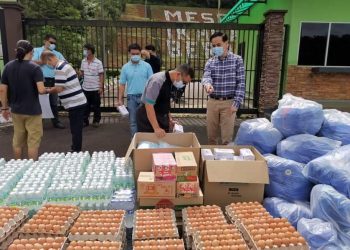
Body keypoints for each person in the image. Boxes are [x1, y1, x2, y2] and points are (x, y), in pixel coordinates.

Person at [0, 40, 48, 160]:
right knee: (33, 141)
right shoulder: (35, 68)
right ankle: (31, 168)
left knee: (18, 140)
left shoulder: (8, 66)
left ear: (17, 51)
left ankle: (18, 166)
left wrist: (4, 108)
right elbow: (41, 90)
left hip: (16, 110)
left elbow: (2, 90)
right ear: (31, 52)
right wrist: (52, 89)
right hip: (33, 110)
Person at [202, 32, 246, 145]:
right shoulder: (210, 62)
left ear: (227, 44)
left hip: (229, 103)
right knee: (211, 137)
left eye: (219, 44)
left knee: (226, 139)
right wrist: (207, 85)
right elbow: (206, 76)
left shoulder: (237, 60)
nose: (216, 48)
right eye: (213, 46)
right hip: (213, 102)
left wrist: (236, 103)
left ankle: (225, 162)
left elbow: (241, 83)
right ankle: (211, 162)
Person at [40, 51, 87, 152]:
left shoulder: (60, 68)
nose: (48, 66)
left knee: (76, 129)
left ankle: (76, 151)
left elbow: (59, 88)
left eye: (47, 63)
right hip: (77, 101)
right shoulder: (64, 64)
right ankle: (76, 148)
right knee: (76, 128)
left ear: (50, 59)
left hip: (75, 103)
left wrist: (47, 90)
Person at [137, 64, 194, 138]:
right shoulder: (157, 81)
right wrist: (156, 128)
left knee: (162, 145)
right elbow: (149, 105)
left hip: (161, 117)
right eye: (184, 82)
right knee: (149, 144)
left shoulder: (171, 82)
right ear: (178, 74)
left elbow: (165, 102)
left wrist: (169, 119)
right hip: (148, 120)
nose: (183, 85)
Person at [118, 43, 153, 137]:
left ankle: (145, 141)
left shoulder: (147, 66)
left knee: (145, 120)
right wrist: (120, 99)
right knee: (133, 121)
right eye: (133, 54)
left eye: (137, 54)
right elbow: (122, 84)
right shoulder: (125, 67)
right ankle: (135, 143)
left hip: (144, 97)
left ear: (140, 54)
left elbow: (152, 83)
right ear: (129, 53)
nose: (135, 56)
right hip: (131, 98)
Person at [33, 34, 66, 129]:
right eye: (51, 42)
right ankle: (39, 123)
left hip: (54, 80)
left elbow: (64, 63)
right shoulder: (37, 51)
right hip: (41, 81)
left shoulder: (57, 53)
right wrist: (42, 61)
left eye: (54, 43)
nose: (52, 45)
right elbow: (31, 62)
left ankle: (56, 121)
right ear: (45, 41)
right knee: (41, 102)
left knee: (53, 103)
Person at [80, 43, 104, 128]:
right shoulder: (83, 61)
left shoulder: (98, 62)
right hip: (85, 88)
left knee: (96, 106)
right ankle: (84, 121)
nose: (84, 51)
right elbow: (82, 73)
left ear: (91, 51)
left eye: (86, 49)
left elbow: (101, 75)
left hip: (95, 88)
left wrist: (100, 87)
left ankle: (96, 121)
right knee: (85, 105)